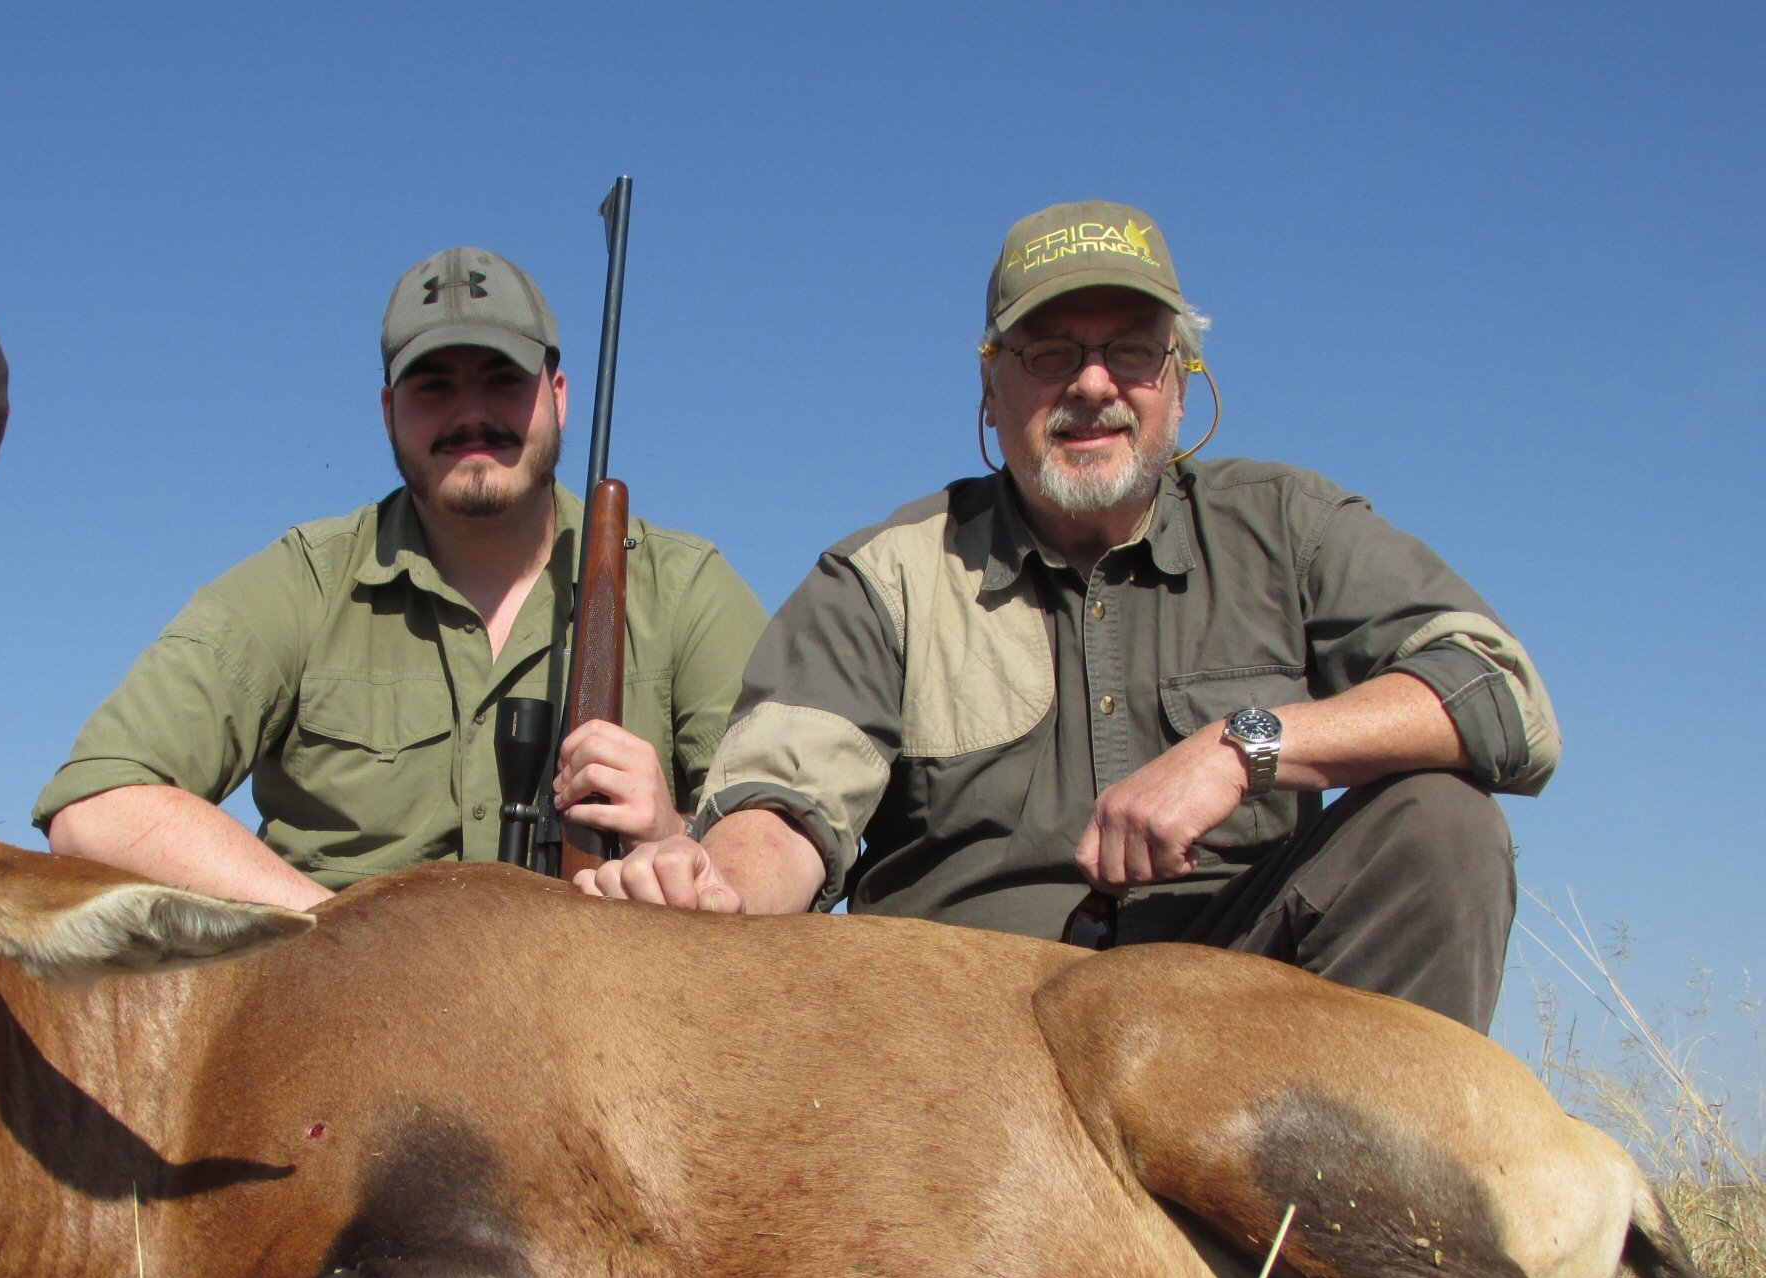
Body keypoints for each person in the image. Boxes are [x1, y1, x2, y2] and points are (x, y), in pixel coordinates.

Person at [579, 200, 1556, 1032]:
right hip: (976, 1050)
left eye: (1131, 350)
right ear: (992, 388)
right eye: (1051, 352)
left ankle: (1353, 1229)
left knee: (1443, 824)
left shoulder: (1289, 526)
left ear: (1179, 383)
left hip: (1242, 1022)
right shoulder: (884, 577)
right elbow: (786, 805)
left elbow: (1499, 693)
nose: (1093, 384)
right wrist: (721, 890)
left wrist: (1241, 747)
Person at [37, 248, 766, 908]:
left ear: (560, 395)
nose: (471, 414)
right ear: (389, 412)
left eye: (503, 380)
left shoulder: (686, 589)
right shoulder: (303, 584)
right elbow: (98, 804)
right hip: (344, 1031)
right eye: (434, 387)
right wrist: (333, 932)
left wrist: (674, 840)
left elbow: (778, 846)